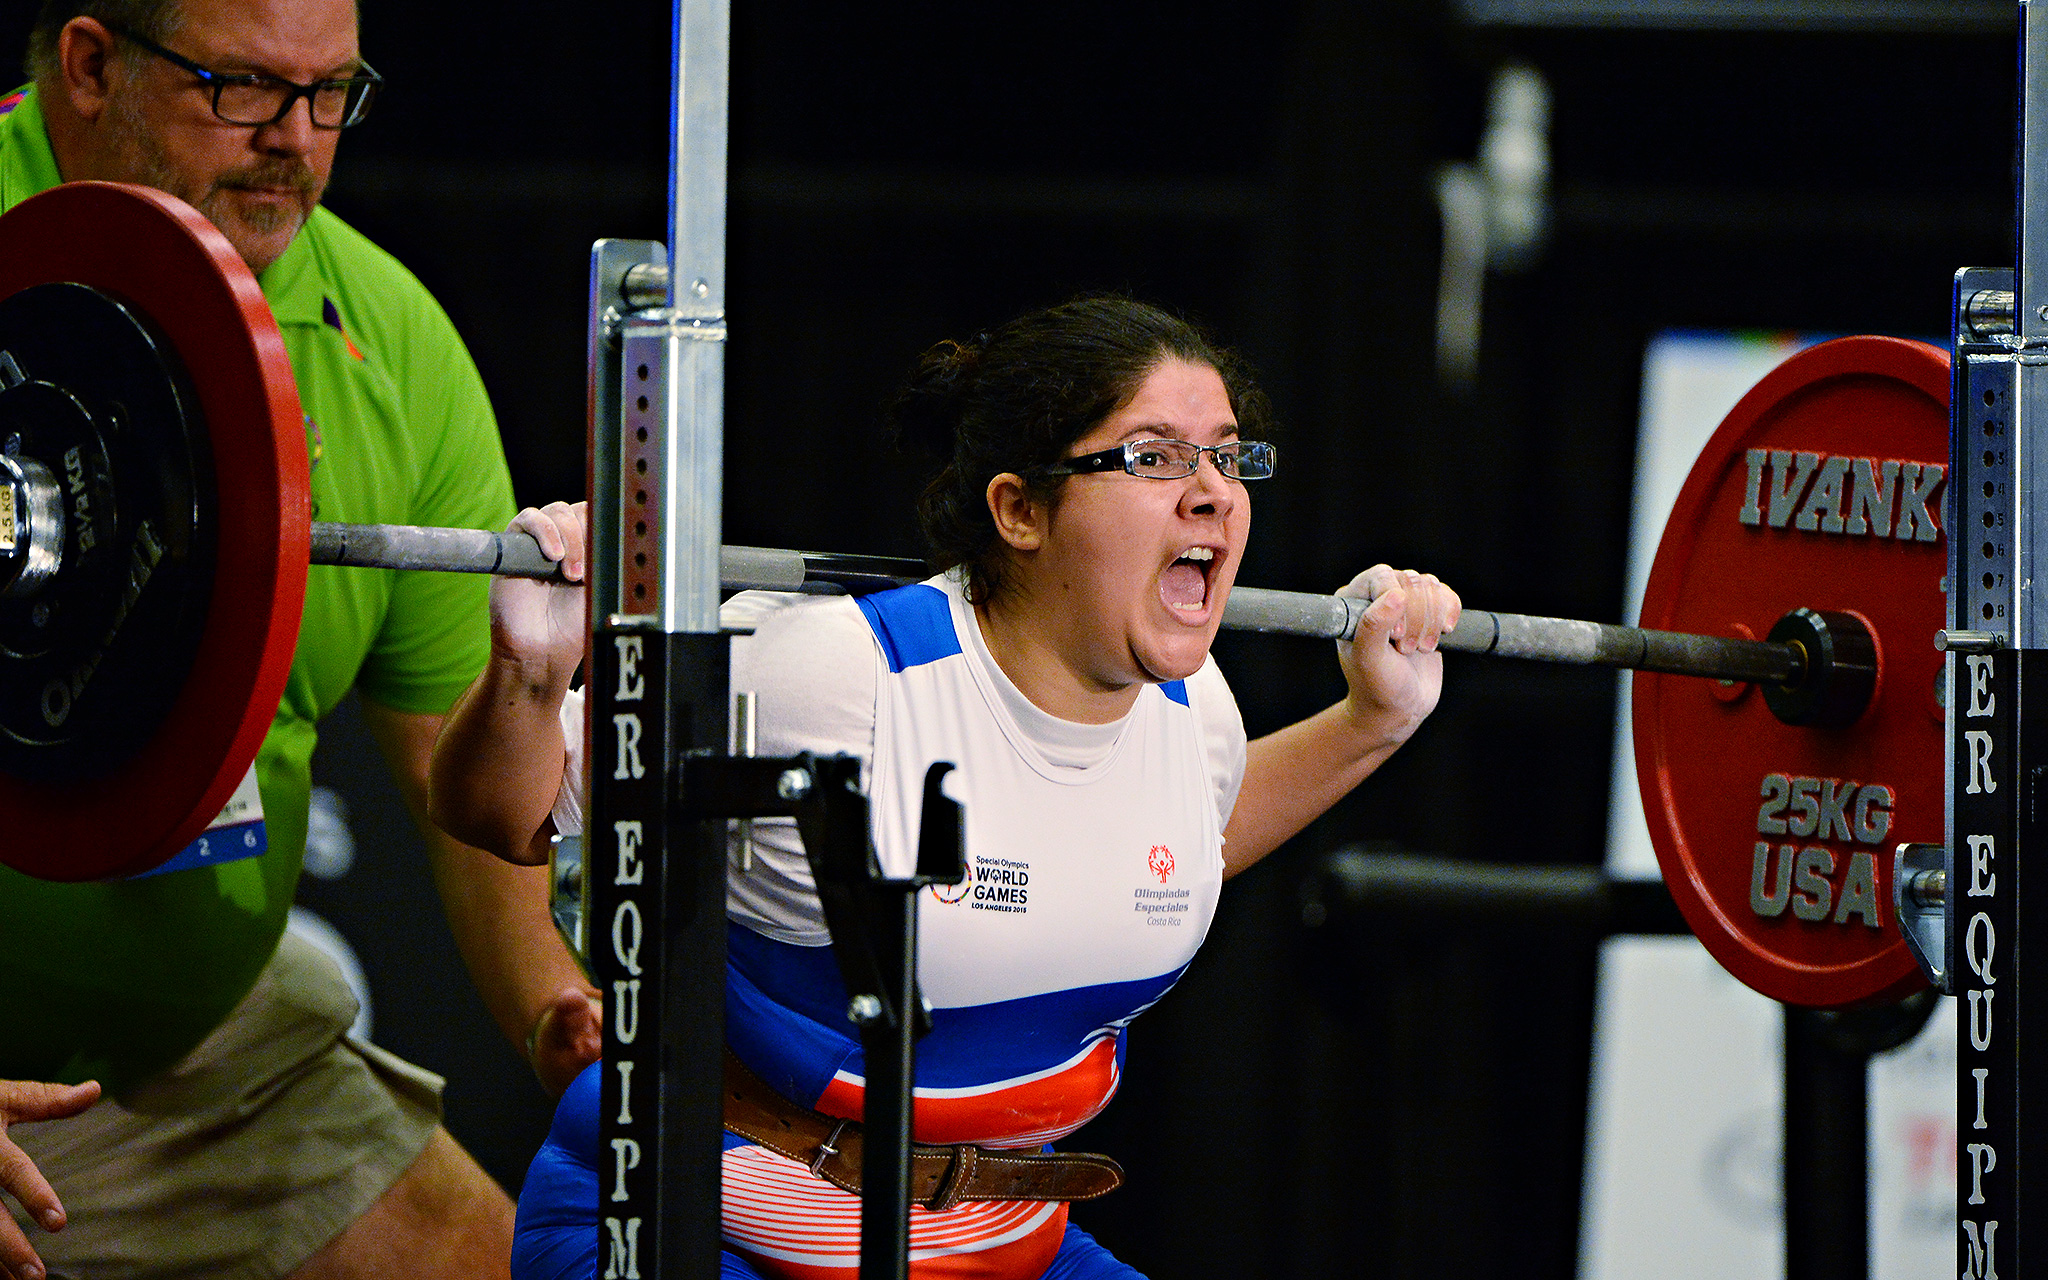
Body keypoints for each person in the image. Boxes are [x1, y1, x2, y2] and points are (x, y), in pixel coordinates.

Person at [429, 296, 1460, 1280]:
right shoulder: (834, 677)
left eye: (1227, 457)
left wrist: (1371, 721)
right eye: (1152, 456)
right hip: (699, 1225)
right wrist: (531, 665)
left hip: (997, 1247)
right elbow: (500, 813)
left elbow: (1178, 847)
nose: (1212, 492)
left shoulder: (1199, 713)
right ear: (1018, 509)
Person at [0, 2, 598, 1277]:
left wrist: (555, 999)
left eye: (334, 94)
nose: (298, 144)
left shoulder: (393, 340)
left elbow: (463, 783)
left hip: (206, 1071)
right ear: (92, 64)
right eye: (244, 90)